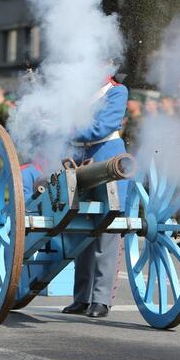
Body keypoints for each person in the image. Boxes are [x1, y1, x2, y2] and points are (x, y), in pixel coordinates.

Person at [60, 73, 129, 318]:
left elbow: (103, 126)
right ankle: (81, 298)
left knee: (106, 234)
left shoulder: (117, 91)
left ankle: (100, 300)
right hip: (78, 161)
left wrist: (68, 130)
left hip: (107, 160)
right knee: (80, 232)